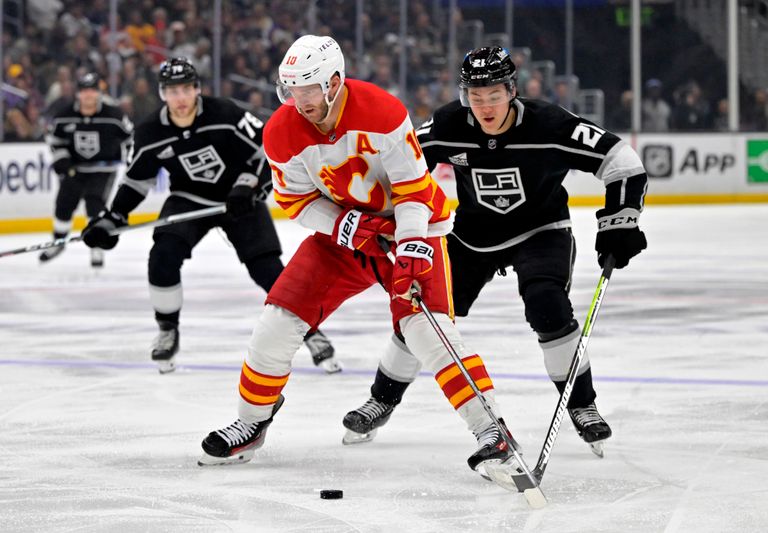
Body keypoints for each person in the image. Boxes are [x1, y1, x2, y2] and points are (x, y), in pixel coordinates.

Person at [198, 36, 523, 488]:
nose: (301, 101)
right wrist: (348, 227)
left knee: (428, 332)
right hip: (343, 239)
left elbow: (412, 189)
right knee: (277, 320)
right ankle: (252, 423)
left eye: (309, 89)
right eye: (292, 90)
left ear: (334, 81)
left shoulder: (381, 111)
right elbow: (295, 200)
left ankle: (493, 431)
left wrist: (410, 246)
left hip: (412, 228)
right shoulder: (280, 130)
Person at [342, 47, 648, 457]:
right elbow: (405, 168)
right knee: (422, 313)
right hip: (472, 236)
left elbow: (621, 161)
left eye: (494, 95)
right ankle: (382, 398)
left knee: (546, 305)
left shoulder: (550, 124)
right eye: (475, 95)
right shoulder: (450, 123)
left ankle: (582, 405)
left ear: (512, 90)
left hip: (541, 231)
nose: (484, 106)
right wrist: (387, 219)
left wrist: (620, 222)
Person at [81, 57, 339, 375]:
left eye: (186, 89)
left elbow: (268, 147)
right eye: (172, 91)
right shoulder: (150, 131)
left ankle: (312, 332)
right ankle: (167, 330)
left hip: (239, 198)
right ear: (163, 93)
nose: (180, 98)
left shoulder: (226, 113)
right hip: (190, 199)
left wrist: (248, 185)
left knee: (267, 270)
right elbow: (137, 180)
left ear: (197, 89)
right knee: (162, 255)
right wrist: (113, 216)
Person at [40, 72, 132, 267]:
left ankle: (96, 247)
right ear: (78, 94)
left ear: (99, 93)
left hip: (103, 170)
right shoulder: (64, 116)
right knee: (64, 204)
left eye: (93, 91)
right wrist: (62, 160)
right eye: (84, 91)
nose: (89, 95)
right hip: (75, 169)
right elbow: (54, 140)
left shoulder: (114, 116)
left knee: (94, 205)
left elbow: (131, 138)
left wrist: (132, 160)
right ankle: (59, 242)